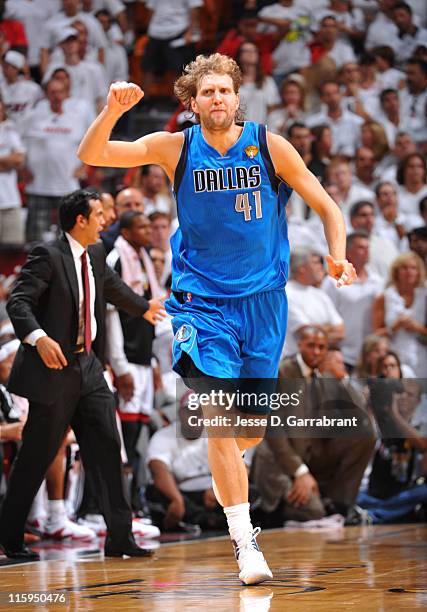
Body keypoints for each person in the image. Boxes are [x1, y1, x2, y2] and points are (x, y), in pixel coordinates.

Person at [77, 53, 356, 585]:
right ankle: (244, 539)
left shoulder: (270, 145)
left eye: (224, 91)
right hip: (202, 303)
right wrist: (112, 110)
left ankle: (227, 472)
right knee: (220, 419)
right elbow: (92, 151)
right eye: (206, 93)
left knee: (247, 428)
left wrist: (336, 254)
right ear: (192, 100)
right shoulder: (176, 146)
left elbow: (325, 204)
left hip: (265, 304)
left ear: (236, 95)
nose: (217, 99)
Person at [0, 189, 165, 560]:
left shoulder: (95, 253)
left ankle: (120, 537)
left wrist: (144, 308)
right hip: (52, 368)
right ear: (81, 220)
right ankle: (9, 537)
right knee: (36, 457)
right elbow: (18, 302)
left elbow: (111, 287)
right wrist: (38, 338)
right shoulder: (48, 255)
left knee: (107, 447)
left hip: (87, 365)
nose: (106, 219)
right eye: (99, 214)